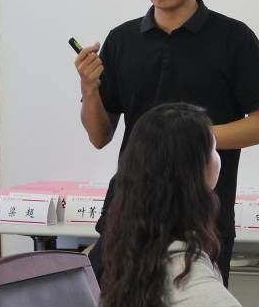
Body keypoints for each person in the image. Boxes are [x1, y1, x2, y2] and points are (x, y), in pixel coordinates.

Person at [74, 0, 259, 286]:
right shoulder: (122, 40)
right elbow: (99, 136)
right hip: (129, 212)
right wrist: (89, 90)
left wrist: (189, 138)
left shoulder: (233, 38)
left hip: (203, 218)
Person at [100, 102, 241, 307]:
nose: (218, 157)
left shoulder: (129, 260)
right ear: (193, 173)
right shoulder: (196, 285)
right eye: (213, 149)